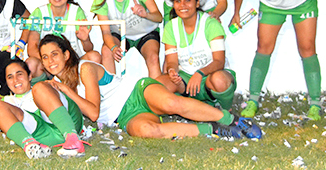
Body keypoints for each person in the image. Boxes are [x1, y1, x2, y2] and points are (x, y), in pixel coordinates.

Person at [39, 34, 261, 139]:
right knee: (145, 131)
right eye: (45, 57)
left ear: (67, 54)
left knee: (170, 102)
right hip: (123, 116)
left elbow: (93, 112)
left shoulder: (84, 68)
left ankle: (231, 120)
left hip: (136, 92)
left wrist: (68, 91)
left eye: (55, 55)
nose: (51, 61)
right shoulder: (55, 84)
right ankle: (213, 130)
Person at [0, 59, 86, 158]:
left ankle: (72, 139)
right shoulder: (8, 102)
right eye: (10, 77)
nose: (15, 80)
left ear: (30, 76)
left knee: (39, 88)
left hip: (67, 125)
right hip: (42, 137)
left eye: (19, 74)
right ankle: (32, 147)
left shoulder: (44, 87)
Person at [162, 0, 236, 109]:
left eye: (188, 0)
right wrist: (172, 71)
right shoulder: (170, 27)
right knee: (158, 85)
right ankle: (191, 108)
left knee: (219, 80)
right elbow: (172, 61)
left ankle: (225, 110)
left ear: (197, 3)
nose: (182, 5)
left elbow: (219, 62)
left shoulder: (210, 24)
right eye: (178, 1)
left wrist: (200, 73)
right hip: (185, 79)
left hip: (208, 77)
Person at [90, 0, 164, 78]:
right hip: (119, 34)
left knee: (153, 58)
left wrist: (145, 14)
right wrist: (114, 48)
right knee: (106, 51)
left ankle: (156, 93)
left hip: (145, 32)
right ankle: (111, 90)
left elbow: (158, 17)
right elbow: (106, 32)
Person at [24, 0, 93, 58]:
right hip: (48, 63)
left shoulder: (76, 12)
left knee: (94, 56)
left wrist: (85, 40)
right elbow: (32, 49)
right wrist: (49, 61)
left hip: (71, 61)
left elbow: (89, 49)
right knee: (31, 63)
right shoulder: (39, 12)